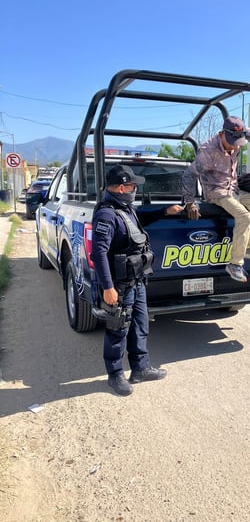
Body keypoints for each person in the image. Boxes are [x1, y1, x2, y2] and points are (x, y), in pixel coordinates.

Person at [92, 164, 184, 396]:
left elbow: (139, 217)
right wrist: (108, 287)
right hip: (119, 286)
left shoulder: (125, 208)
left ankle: (140, 368)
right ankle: (115, 376)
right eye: (133, 186)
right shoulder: (106, 214)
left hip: (137, 280)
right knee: (118, 329)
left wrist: (164, 211)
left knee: (140, 325)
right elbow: (99, 253)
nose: (135, 189)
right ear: (122, 187)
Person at [182, 116, 250, 283]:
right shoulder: (207, 151)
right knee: (244, 216)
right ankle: (235, 264)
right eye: (231, 141)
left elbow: (248, 131)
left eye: (238, 141)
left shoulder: (240, 135)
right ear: (222, 134)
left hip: (233, 188)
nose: (234, 146)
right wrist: (190, 202)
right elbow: (188, 175)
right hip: (216, 191)